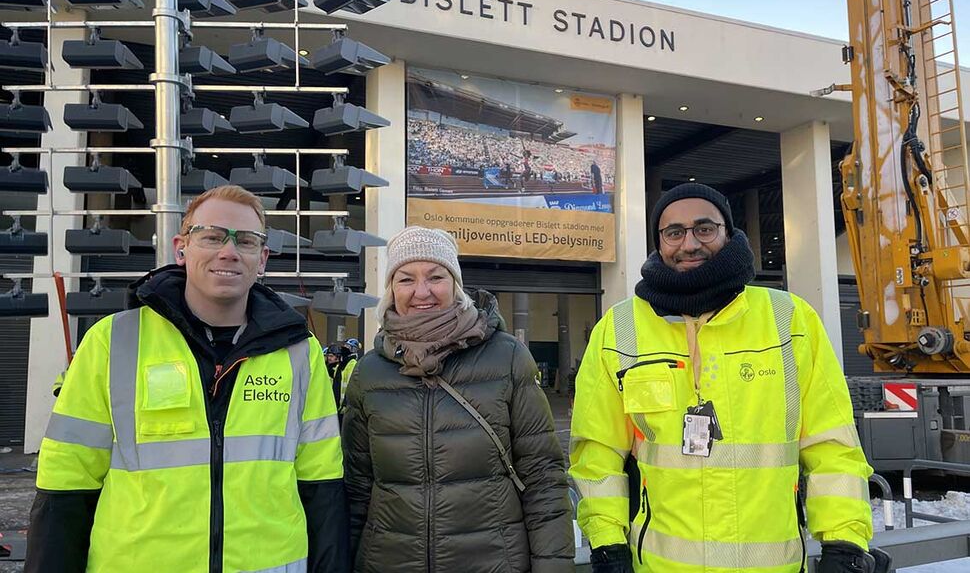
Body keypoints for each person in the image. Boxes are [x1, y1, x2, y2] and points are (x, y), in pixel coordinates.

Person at [26, 185, 349, 573]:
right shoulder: (113, 342)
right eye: (212, 236)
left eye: (245, 241)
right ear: (182, 248)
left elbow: (323, 488)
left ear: (261, 259)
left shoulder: (300, 352)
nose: (228, 251)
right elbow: (66, 485)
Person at [570, 183, 886, 573]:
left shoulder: (790, 320)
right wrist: (607, 544)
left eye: (705, 229)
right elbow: (597, 453)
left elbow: (833, 445)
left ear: (729, 233)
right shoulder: (618, 329)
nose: (689, 244)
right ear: (659, 243)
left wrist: (844, 541)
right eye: (674, 232)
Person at [342, 226, 574, 573]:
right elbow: (355, 489)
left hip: (494, 562)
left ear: (455, 284)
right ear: (391, 290)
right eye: (406, 279)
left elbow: (542, 477)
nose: (422, 292)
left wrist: (553, 566)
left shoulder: (507, 357)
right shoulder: (369, 373)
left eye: (436, 276)